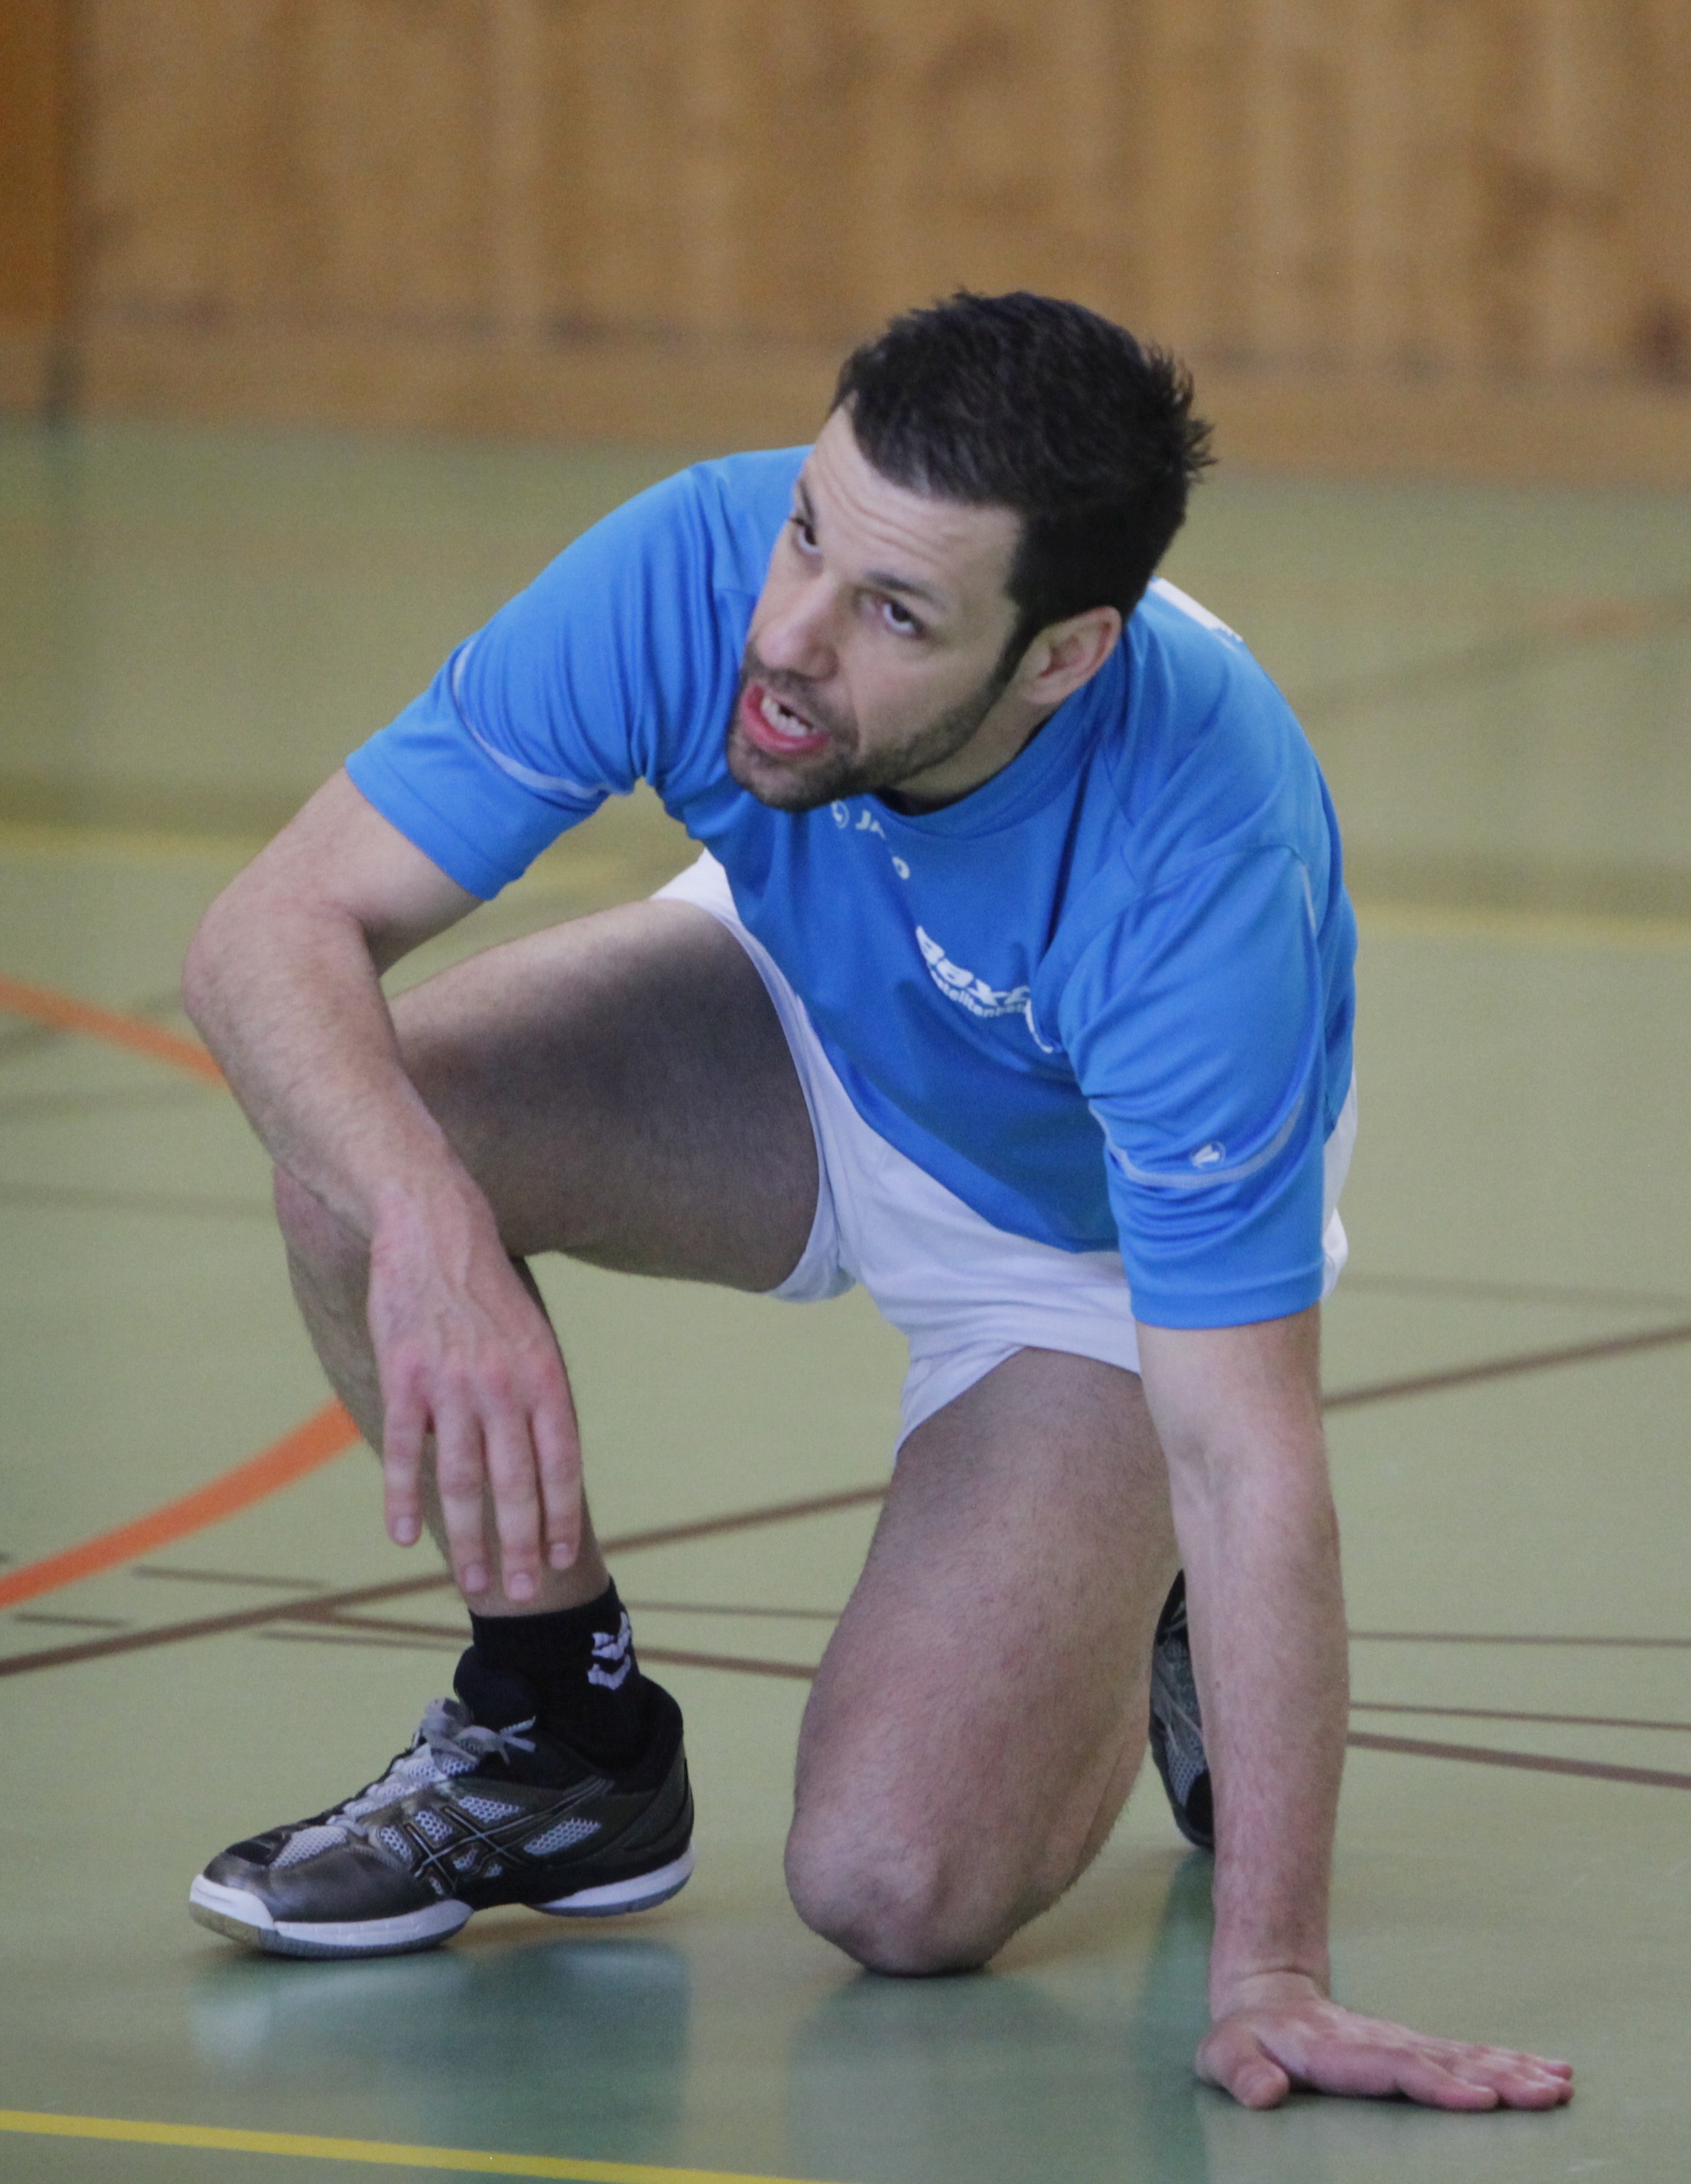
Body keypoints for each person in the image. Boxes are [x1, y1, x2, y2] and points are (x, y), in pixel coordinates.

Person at [181, 292, 1571, 2113]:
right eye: (809, 534)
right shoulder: (700, 562)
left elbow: (1246, 1453)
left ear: (1061, 654)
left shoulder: (1197, 867)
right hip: (800, 1011)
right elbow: (269, 930)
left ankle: (1125, 1580)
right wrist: (428, 1223)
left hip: (1080, 1244)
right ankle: (562, 1729)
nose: (788, 634)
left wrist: (1273, 1975)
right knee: (365, 1150)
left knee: (894, 1888)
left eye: (895, 614)